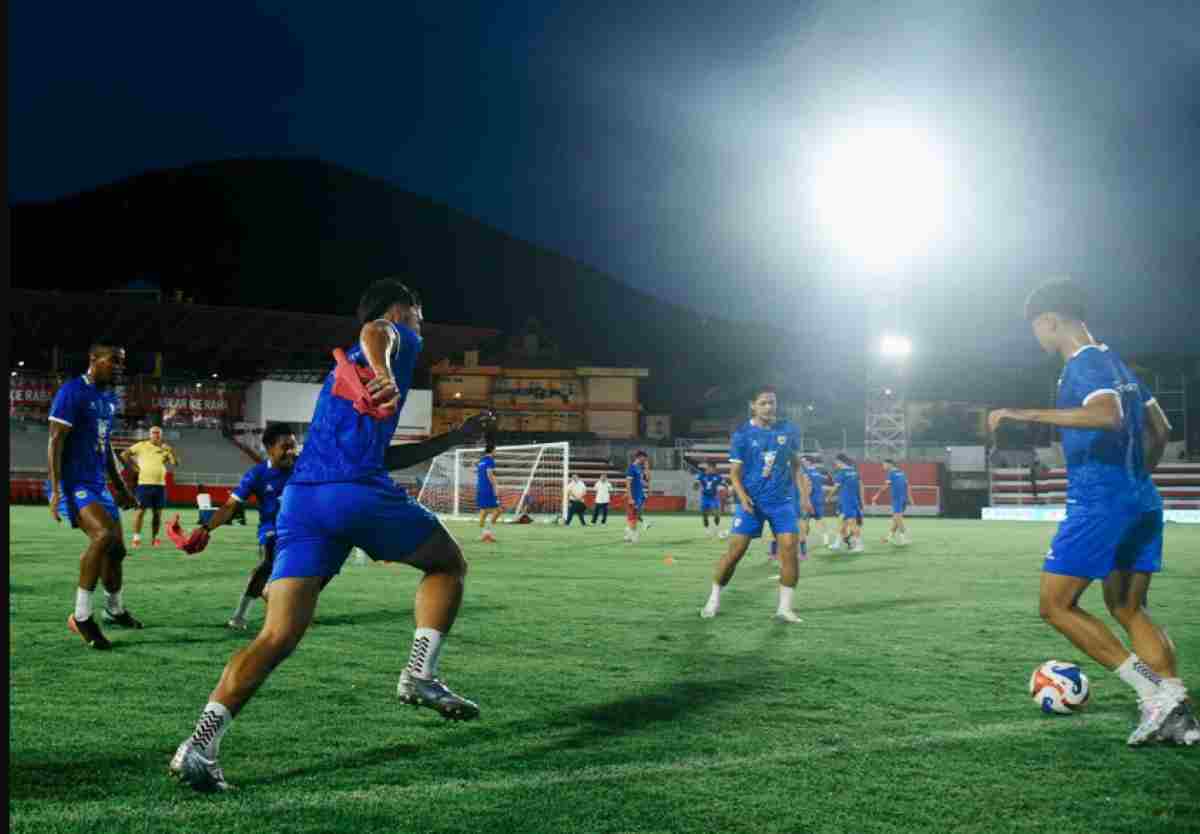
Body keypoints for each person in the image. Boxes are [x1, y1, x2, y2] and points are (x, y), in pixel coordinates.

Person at [170, 279, 497, 792]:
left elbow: (383, 454)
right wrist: (388, 369)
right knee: (448, 564)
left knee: (276, 635)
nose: (422, 325)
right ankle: (418, 674)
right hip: (354, 494)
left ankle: (199, 744)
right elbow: (377, 330)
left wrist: (454, 439)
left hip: (304, 504)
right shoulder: (394, 339)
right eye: (419, 313)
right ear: (403, 311)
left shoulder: (342, 374)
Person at [987, 278, 1197, 746]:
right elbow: (1159, 428)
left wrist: (1026, 415)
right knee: (1127, 605)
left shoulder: (1082, 366)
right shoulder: (1116, 361)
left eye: (1036, 329)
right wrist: (1137, 481)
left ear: (1049, 321)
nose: (1037, 339)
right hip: (1140, 499)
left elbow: (1107, 416)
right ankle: (1176, 711)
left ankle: (1153, 695)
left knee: (1055, 605)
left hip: (1099, 502)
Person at [48, 343, 143, 650]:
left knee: (116, 552)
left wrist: (121, 487)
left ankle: (114, 610)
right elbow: (54, 441)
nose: (119, 367)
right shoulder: (72, 392)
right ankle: (81, 616)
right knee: (102, 536)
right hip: (74, 483)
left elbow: (105, 448)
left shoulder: (108, 399)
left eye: (122, 362)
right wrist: (56, 488)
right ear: (93, 360)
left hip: (98, 485)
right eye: (113, 360)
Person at [171, 424, 299, 631]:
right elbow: (230, 507)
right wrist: (206, 528)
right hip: (273, 529)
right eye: (286, 447)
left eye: (294, 446)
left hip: (304, 530)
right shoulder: (256, 475)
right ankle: (240, 615)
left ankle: (280, 598)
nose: (291, 451)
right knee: (269, 560)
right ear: (269, 448)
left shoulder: (305, 467)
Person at [700, 385, 808, 623]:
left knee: (790, 548)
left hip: (782, 501)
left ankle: (785, 609)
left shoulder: (788, 430)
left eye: (772, 402)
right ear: (753, 405)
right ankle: (714, 597)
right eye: (764, 403)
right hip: (752, 502)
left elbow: (796, 464)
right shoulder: (742, 435)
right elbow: (735, 473)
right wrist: (742, 496)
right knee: (736, 552)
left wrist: (804, 497)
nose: (769, 407)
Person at [122, 425, 180, 547]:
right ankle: (136, 539)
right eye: (153, 432)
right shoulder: (141, 445)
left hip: (160, 486)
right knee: (140, 512)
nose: (156, 435)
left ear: (161, 435)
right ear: (150, 434)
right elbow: (124, 454)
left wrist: (171, 451)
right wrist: (133, 467)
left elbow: (176, 463)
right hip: (144, 485)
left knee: (157, 514)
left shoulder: (165, 448)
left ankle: (155, 538)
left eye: (158, 433)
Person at [871, 459, 915, 545]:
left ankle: (903, 538)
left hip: (897, 499)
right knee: (896, 519)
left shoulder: (891, 474)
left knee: (898, 518)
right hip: (903, 499)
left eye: (884, 465)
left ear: (889, 464)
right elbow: (907, 486)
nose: (883, 466)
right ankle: (890, 537)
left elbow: (885, 486)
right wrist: (910, 498)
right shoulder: (902, 473)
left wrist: (876, 495)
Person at [830, 454, 864, 552]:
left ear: (840, 462)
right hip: (853, 500)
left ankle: (859, 545)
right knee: (841, 523)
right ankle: (837, 543)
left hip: (847, 502)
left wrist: (828, 497)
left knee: (852, 524)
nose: (836, 464)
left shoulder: (842, 473)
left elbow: (835, 487)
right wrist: (861, 501)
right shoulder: (854, 472)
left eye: (836, 463)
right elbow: (860, 486)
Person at [801, 456, 831, 547]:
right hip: (818, 500)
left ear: (809, 462)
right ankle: (826, 539)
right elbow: (823, 484)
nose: (802, 463)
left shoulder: (805, 473)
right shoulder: (818, 473)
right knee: (820, 519)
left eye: (803, 461)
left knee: (804, 520)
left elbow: (807, 488)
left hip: (808, 500)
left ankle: (803, 541)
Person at [692, 461, 726, 538]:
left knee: (717, 514)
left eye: (713, 468)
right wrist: (695, 485)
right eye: (709, 468)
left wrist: (723, 488)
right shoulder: (701, 475)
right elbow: (695, 486)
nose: (711, 470)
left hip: (714, 497)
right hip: (705, 498)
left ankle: (717, 530)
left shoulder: (718, 477)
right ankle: (707, 530)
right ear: (708, 468)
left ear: (714, 469)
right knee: (705, 515)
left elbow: (724, 485)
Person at [476, 442, 502, 542]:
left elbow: (481, 474)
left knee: (483, 512)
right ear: (492, 450)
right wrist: (495, 485)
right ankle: (488, 533)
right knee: (498, 510)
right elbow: (489, 474)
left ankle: (484, 534)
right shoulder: (490, 461)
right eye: (495, 449)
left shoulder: (481, 461)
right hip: (488, 489)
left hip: (480, 488)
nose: (496, 451)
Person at [623, 451, 649, 543]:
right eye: (644, 458)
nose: (645, 460)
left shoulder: (639, 468)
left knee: (636, 516)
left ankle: (628, 534)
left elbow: (646, 481)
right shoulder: (631, 468)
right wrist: (630, 498)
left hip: (639, 496)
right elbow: (628, 483)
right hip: (633, 496)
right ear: (639, 457)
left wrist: (646, 468)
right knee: (633, 517)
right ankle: (632, 536)